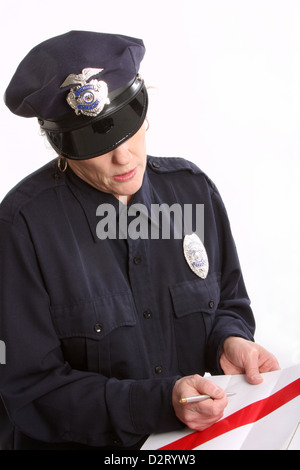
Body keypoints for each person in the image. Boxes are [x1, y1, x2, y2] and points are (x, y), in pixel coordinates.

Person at [0, 31, 279, 450]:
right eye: (96, 142)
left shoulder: (193, 192)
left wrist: (229, 341)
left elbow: (227, 303)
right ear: (59, 143)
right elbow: (32, 392)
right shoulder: (21, 228)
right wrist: (159, 403)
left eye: (129, 128)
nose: (124, 156)